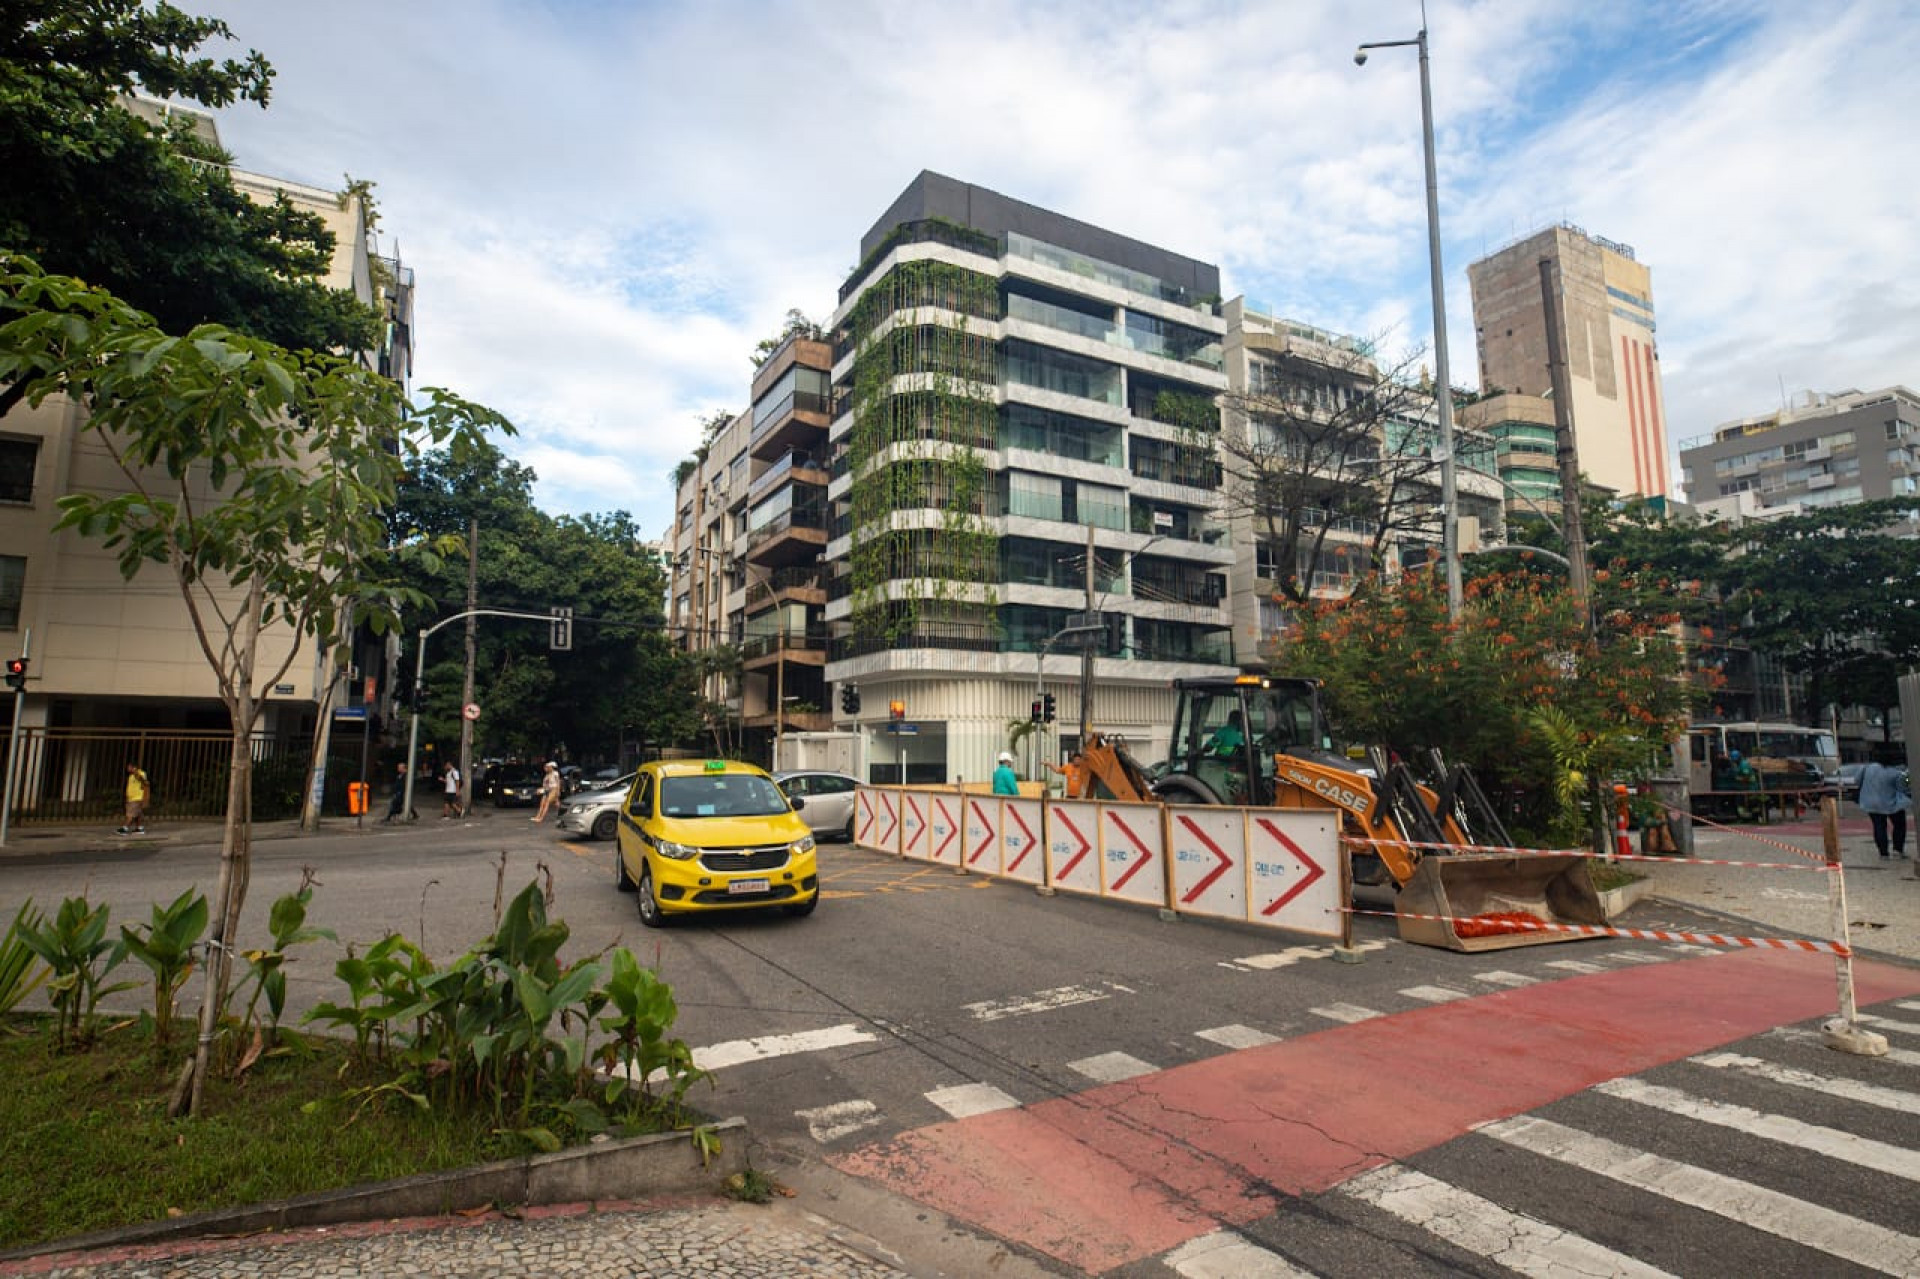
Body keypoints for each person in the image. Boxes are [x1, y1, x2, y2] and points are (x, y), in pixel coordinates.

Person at [1858, 751, 1911, 860]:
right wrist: (1907, 778)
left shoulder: (1868, 768)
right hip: (1891, 803)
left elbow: (1857, 780)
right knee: (1899, 825)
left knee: (1879, 827)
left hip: (1869, 802)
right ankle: (1898, 850)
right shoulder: (1896, 773)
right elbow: (1904, 787)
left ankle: (1883, 853)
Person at [118, 761, 150, 835]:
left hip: (137, 798)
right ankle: (139, 828)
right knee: (138, 814)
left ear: (134, 767)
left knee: (130, 814)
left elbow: (143, 781)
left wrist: (136, 772)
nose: (128, 769)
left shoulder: (141, 773)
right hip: (132, 798)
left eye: (129, 767)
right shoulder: (131, 776)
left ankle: (125, 828)